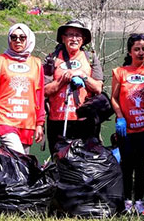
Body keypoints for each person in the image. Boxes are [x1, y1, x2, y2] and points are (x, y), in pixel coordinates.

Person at [111, 33, 144, 214]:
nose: (140, 53)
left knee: (142, 166)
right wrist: (120, 117)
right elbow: (114, 98)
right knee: (126, 165)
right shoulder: (120, 72)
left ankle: (139, 201)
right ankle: (126, 201)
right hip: (126, 129)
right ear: (129, 51)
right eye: (136, 49)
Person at [43, 20, 104, 155]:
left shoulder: (91, 59)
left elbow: (98, 88)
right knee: (59, 160)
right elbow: (44, 91)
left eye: (78, 35)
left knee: (85, 162)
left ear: (83, 40)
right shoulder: (51, 59)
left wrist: (83, 76)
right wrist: (62, 80)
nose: (74, 39)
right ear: (63, 38)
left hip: (84, 120)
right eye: (70, 35)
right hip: (57, 119)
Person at [0, 23, 45, 154]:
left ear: (28, 39)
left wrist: (40, 123)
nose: (18, 40)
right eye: (14, 37)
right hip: (4, 120)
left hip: (27, 122)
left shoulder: (37, 64)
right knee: (19, 157)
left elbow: (39, 95)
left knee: (20, 166)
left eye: (22, 37)